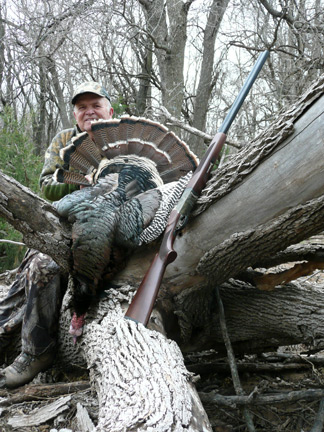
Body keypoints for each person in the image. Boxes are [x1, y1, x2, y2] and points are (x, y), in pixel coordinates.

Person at [0, 82, 114, 388]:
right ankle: (37, 351)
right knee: (42, 267)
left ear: (109, 110)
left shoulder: (126, 139)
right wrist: (81, 180)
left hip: (114, 228)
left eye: (96, 105)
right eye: (82, 107)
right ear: (75, 113)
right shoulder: (65, 139)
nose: (89, 111)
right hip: (65, 227)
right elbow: (46, 183)